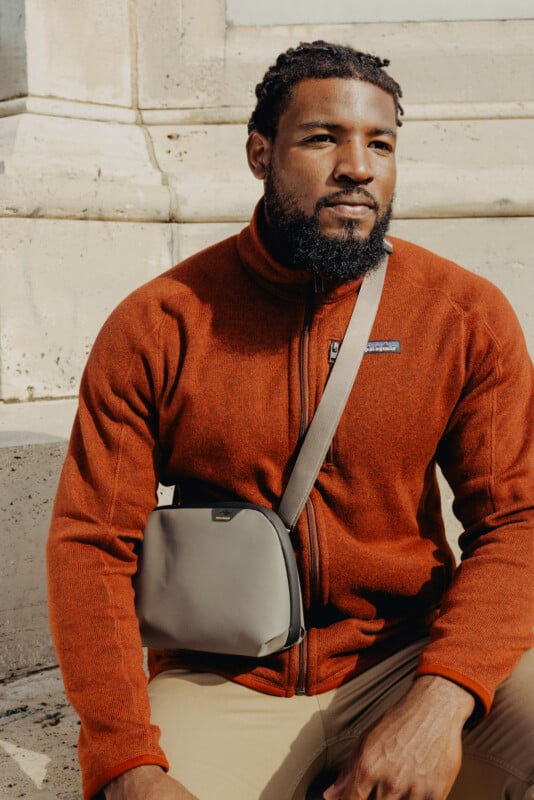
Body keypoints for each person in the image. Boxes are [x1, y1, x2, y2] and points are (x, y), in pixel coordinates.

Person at [47, 41, 534, 800]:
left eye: (381, 143)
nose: (358, 167)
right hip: (224, 678)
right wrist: (124, 757)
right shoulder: (160, 324)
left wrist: (443, 700)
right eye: (322, 138)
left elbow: (517, 522)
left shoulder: (462, 315)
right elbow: (90, 548)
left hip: (407, 655)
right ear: (259, 152)